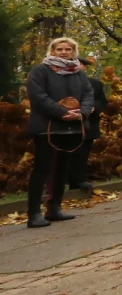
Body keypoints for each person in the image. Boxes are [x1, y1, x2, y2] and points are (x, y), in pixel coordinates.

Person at [25, 37, 94, 228]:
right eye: (59, 49)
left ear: (74, 52)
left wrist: (83, 112)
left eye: (68, 49)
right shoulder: (41, 70)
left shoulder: (79, 73)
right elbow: (38, 96)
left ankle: (54, 208)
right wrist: (61, 112)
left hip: (71, 128)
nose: (64, 52)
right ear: (52, 51)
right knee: (42, 169)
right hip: (46, 127)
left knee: (62, 169)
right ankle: (34, 213)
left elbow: (88, 94)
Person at [73, 56, 108, 191]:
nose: (77, 66)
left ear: (84, 67)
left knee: (84, 152)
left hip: (90, 123)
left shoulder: (95, 84)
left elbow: (103, 101)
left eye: (80, 64)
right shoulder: (62, 82)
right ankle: (65, 179)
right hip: (69, 122)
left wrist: (94, 107)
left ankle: (79, 180)